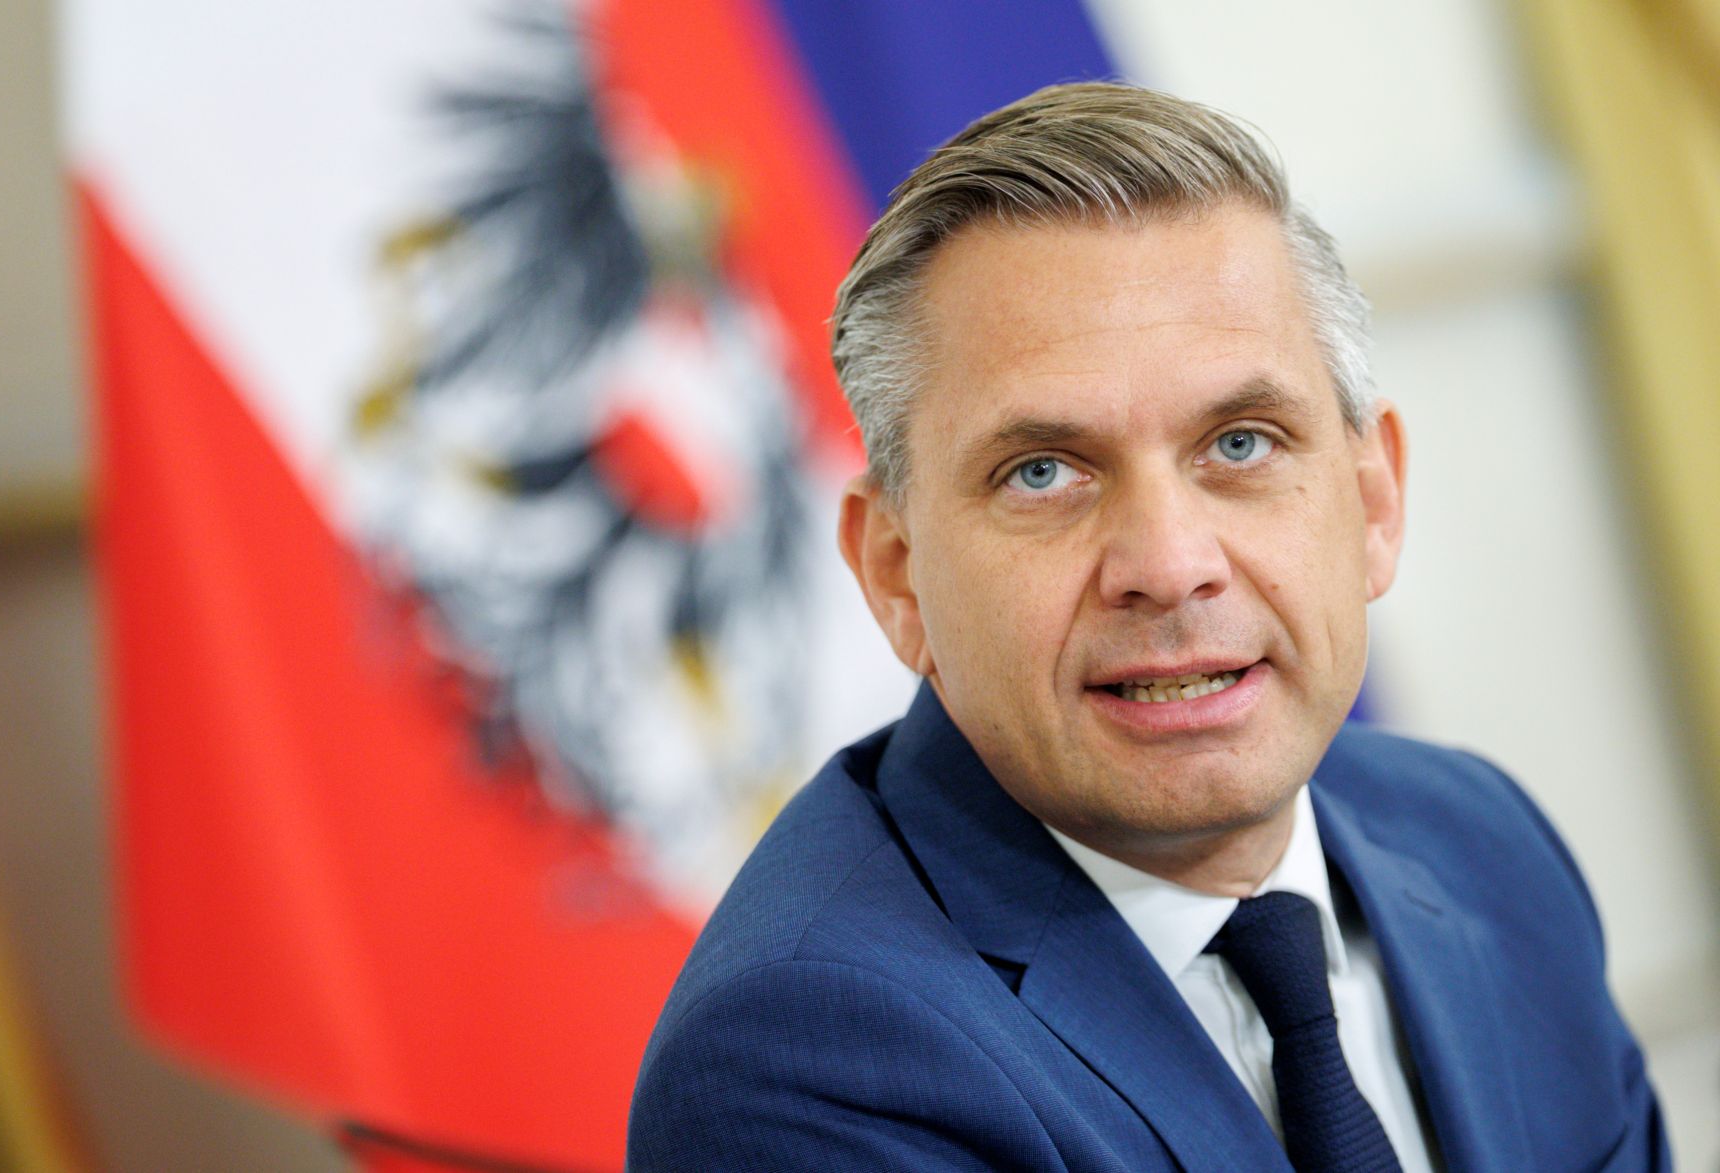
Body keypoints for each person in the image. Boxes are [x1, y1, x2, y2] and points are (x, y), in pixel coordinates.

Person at [627, 83, 1669, 1172]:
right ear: (893, 572)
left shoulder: (1484, 843)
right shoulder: (806, 1067)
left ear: (1370, 504)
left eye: (1241, 444)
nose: (1170, 568)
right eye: (1042, 473)